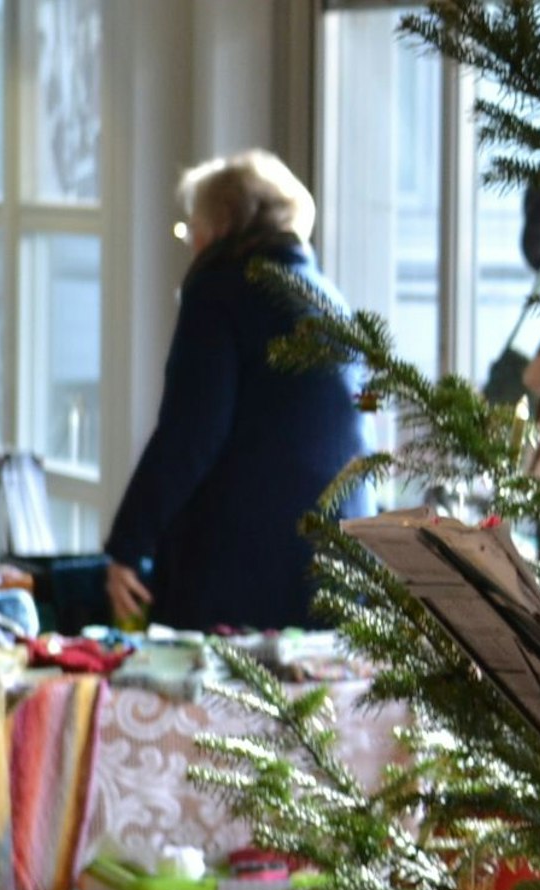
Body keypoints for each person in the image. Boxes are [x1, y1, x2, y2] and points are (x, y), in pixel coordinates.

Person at [103, 149, 375, 633]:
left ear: (220, 226)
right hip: (341, 569)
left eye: (191, 229)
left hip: (246, 577)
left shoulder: (219, 291)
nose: (191, 244)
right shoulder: (330, 299)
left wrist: (128, 544)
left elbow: (190, 434)